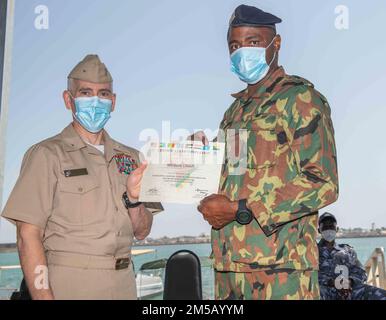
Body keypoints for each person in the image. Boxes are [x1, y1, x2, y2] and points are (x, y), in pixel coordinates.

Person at [194, 4, 339, 299]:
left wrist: (240, 209)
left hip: (281, 270)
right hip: (229, 265)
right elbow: (236, 172)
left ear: (276, 44)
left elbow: (323, 183)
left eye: (252, 42)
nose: (241, 52)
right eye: (234, 45)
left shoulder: (300, 98)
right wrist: (204, 160)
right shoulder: (234, 112)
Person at [1, 54, 162, 300]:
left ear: (114, 101)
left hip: (124, 285)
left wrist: (134, 200)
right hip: (69, 285)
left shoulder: (132, 158)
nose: (96, 101)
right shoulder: (46, 155)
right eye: (86, 93)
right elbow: (27, 235)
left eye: (104, 94)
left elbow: (142, 231)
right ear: (69, 99)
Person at [318, 212, 386, 300]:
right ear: (319, 230)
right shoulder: (312, 252)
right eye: (325, 227)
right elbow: (308, 275)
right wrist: (331, 282)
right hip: (325, 292)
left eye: (331, 226)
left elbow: (361, 272)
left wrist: (350, 281)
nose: (329, 229)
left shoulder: (348, 250)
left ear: (337, 229)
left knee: (381, 295)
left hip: (349, 291)